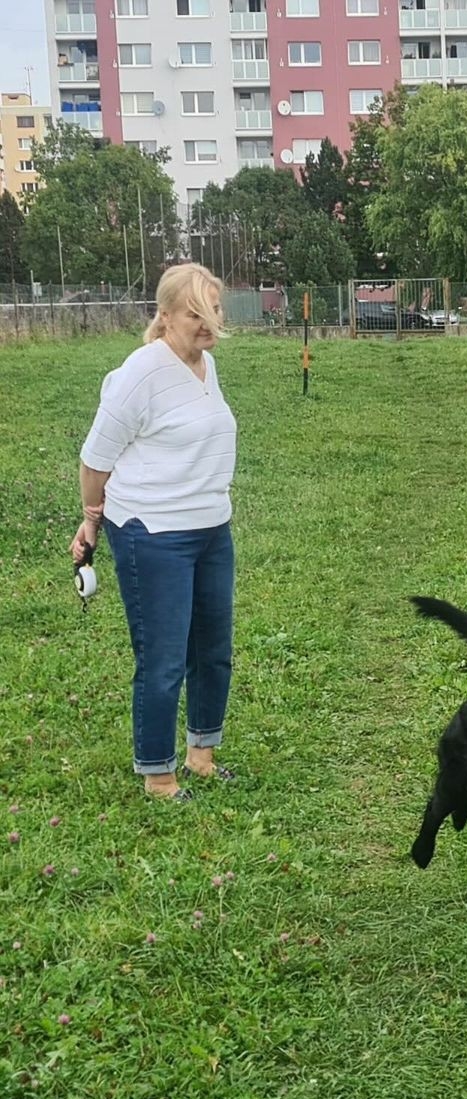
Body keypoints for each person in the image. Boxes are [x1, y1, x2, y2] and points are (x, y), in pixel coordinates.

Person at [69, 262, 238, 802]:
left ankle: (201, 754)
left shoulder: (205, 364)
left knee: (213, 650)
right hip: (153, 532)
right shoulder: (141, 373)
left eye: (215, 311)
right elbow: (95, 460)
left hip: (211, 528)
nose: (209, 323)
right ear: (164, 316)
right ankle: (158, 774)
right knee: (163, 658)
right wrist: (91, 520)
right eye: (195, 314)